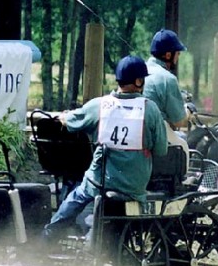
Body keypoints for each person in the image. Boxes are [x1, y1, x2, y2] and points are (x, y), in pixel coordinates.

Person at [42, 55, 167, 244]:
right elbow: (161, 150)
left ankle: (48, 236)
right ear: (139, 81)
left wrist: (64, 117)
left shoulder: (100, 105)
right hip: (132, 186)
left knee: (76, 196)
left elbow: (69, 121)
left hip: (99, 181)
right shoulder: (151, 110)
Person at [143, 29, 196, 160]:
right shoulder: (168, 79)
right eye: (177, 53)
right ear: (168, 55)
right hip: (156, 131)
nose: (178, 58)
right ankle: (184, 179)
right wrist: (188, 110)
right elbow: (178, 122)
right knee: (183, 145)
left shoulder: (140, 69)